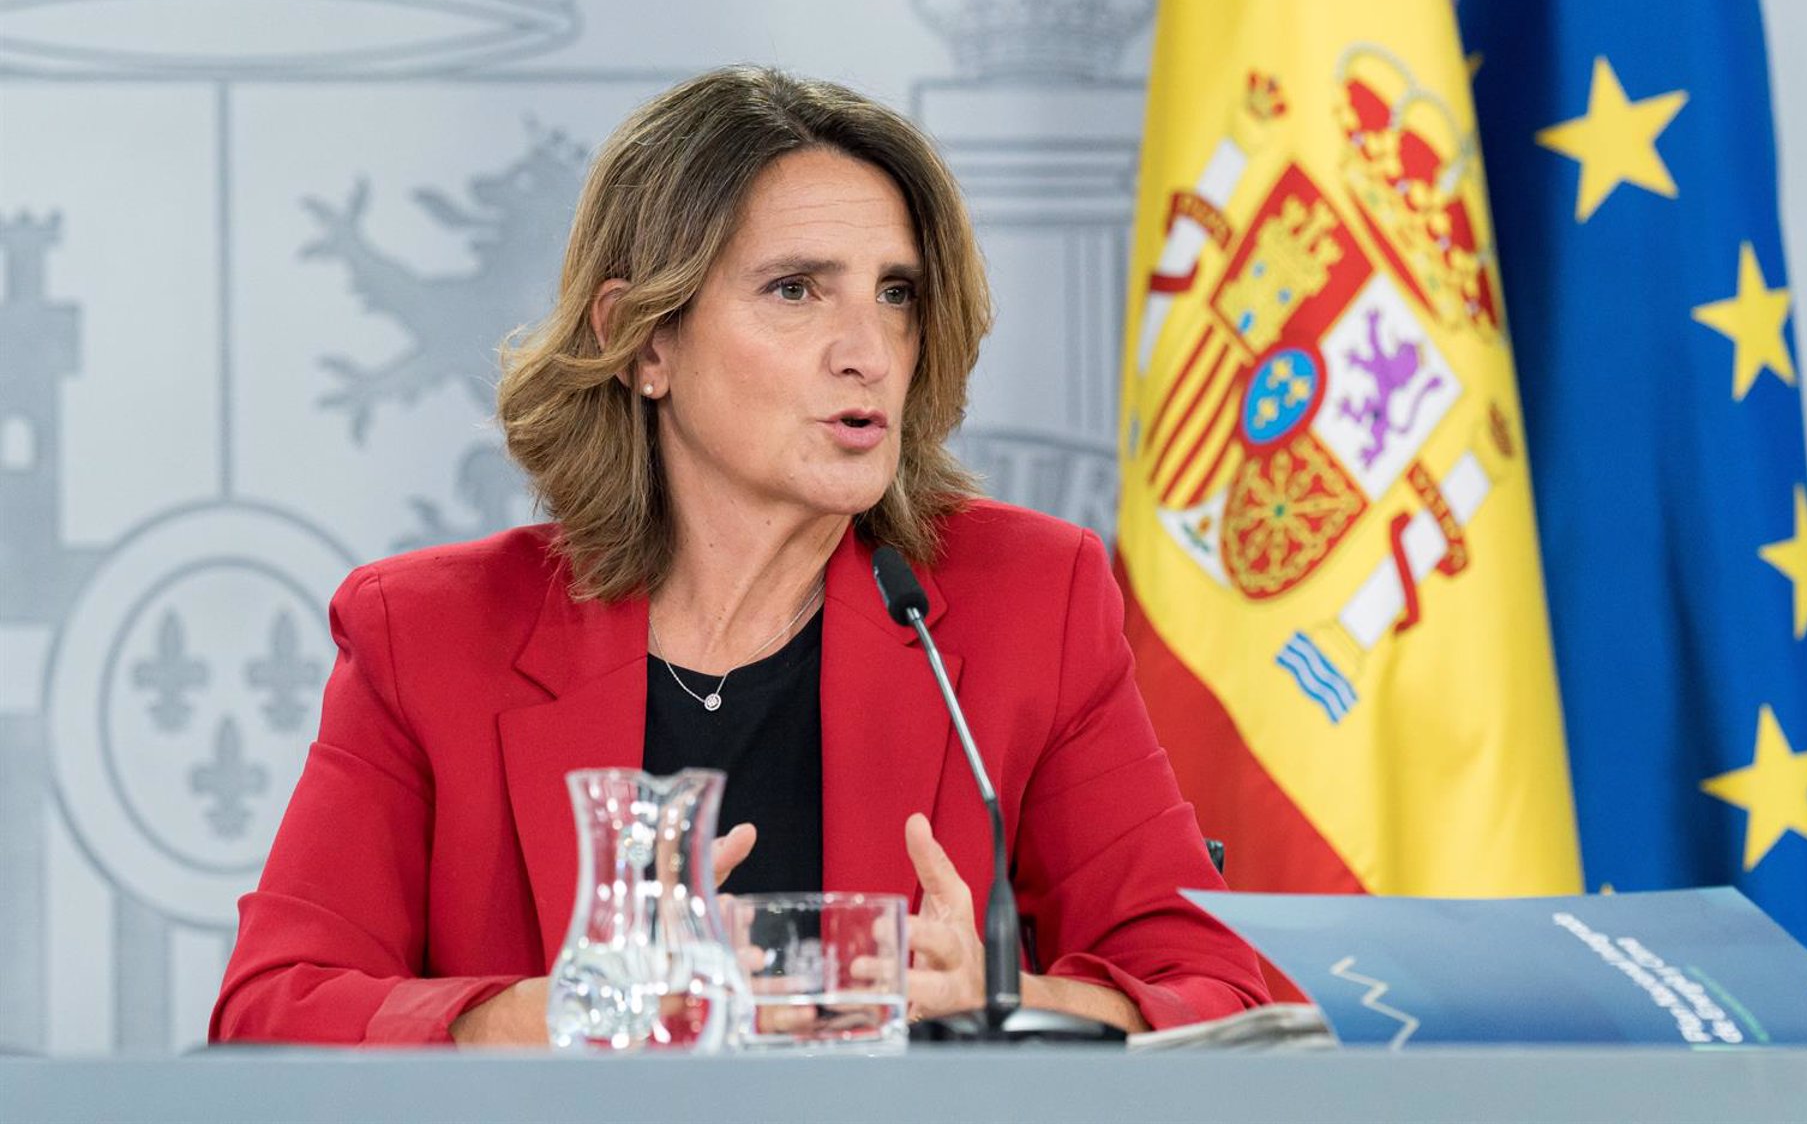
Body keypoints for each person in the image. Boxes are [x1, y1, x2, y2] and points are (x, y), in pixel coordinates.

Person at [209, 67, 1271, 1045]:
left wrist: (1006, 998)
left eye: (896, 293)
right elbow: (269, 1014)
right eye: (796, 289)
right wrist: (560, 1014)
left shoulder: (1030, 602)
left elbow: (1222, 995)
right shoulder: (430, 634)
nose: (867, 350)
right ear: (643, 339)